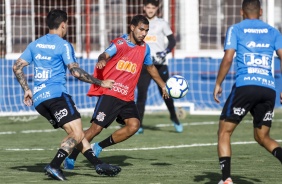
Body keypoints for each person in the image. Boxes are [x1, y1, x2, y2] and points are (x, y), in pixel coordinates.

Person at [12, 9, 121, 181]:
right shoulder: (63, 45)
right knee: (77, 134)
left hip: (40, 101)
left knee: (74, 132)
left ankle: (98, 164)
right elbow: (75, 72)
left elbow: (17, 67)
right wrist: (101, 82)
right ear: (63, 24)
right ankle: (55, 165)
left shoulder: (35, 44)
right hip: (57, 95)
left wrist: (27, 89)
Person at [63, 14, 169, 169]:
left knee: (134, 125)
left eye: (146, 30)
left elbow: (151, 67)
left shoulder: (145, 48)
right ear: (132, 28)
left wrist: (162, 85)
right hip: (111, 93)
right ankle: (71, 156)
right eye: (141, 29)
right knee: (95, 129)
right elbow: (105, 54)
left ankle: (99, 147)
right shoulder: (120, 43)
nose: (144, 33)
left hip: (127, 97)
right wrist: (103, 60)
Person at [213, 0, 282, 183]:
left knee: (224, 132)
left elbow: (228, 58)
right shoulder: (273, 31)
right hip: (268, 88)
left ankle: (226, 179)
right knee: (262, 136)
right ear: (260, 11)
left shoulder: (236, 29)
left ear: (241, 12)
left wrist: (218, 83)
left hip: (246, 86)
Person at [135, 0, 182, 134]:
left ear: (157, 8)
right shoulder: (140, 24)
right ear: (144, 8)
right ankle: (139, 124)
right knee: (141, 95)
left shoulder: (162, 23)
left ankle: (174, 117)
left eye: (153, 7)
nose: (150, 10)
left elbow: (172, 41)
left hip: (160, 65)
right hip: (144, 64)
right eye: (148, 7)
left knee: (166, 94)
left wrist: (165, 52)